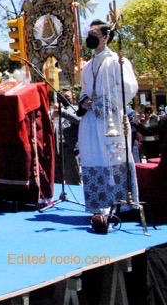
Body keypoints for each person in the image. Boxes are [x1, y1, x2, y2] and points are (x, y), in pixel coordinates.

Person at [77, 20, 139, 218]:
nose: (90, 38)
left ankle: (121, 206)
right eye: (89, 34)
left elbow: (129, 87)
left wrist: (102, 103)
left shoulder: (117, 61)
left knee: (113, 159)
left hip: (111, 121)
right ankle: (98, 206)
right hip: (90, 122)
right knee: (92, 158)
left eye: (94, 34)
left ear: (106, 37)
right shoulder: (87, 66)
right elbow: (84, 90)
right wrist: (84, 101)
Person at [53, 89, 81, 185]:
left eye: (67, 97)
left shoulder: (75, 109)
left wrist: (63, 112)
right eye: (62, 97)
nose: (65, 99)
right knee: (57, 178)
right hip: (57, 149)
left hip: (70, 148)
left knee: (72, 177)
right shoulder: (55, 110)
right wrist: (53, 116)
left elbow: (78, 120)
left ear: (72, 98)